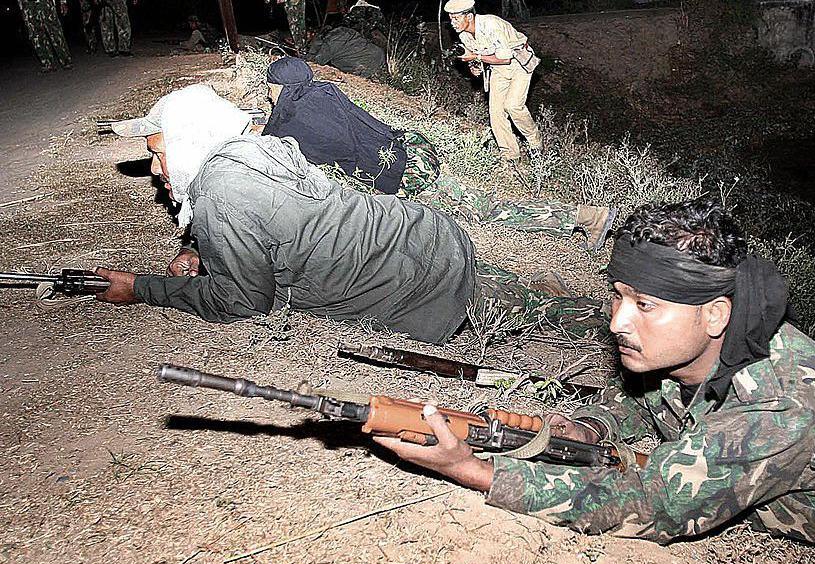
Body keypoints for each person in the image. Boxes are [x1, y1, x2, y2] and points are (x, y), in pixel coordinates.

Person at [375, 199, 815, 564]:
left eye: (645, 306)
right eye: (617, 297)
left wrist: (482, 475)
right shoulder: (691, 346)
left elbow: (658, 505)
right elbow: (643, 417)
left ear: (715, 313)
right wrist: (584, 431)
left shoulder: (779, 408)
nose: (618, 322)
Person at [93, 85, 606, 344]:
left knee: (559, 318)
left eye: (161, 153)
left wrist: (141, 288)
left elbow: (242, 303)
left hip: (414, 284)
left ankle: (629, 328)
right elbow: (272, 218)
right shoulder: (252, 150)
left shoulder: (221, 197)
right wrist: (200, 248)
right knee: (527, 293)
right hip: (421, 234)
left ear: (190, 143)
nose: (157, 169)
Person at [262, 57, 617, 250]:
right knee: (485, 206)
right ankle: (585, 215)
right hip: (410, 154)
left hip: (404, 179)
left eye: (270, 88)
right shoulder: (324, 92)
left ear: (280, 87)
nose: (268, 96)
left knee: (488, 211)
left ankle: (588, 217)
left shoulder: (297, 118)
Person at [445, 0, 542, 163]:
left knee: (513, 106)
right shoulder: (463, 34)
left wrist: (476, 57)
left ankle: (535, 142)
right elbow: (475, 54)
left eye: (456, 18)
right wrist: (474, 65)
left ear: (469, 16)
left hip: (518, 64)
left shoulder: (491, 25)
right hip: (498, 70)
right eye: (450, 19)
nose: (452, 23)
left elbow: (504, 59)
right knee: (496, 112)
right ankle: (510, 155)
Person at [17, 0, 72, 72]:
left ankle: (66, 61)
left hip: (45, 3)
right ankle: (47, 63)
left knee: (55, 32)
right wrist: (21, 8)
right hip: (28, 6)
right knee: (36, 36)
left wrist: (63, 2)